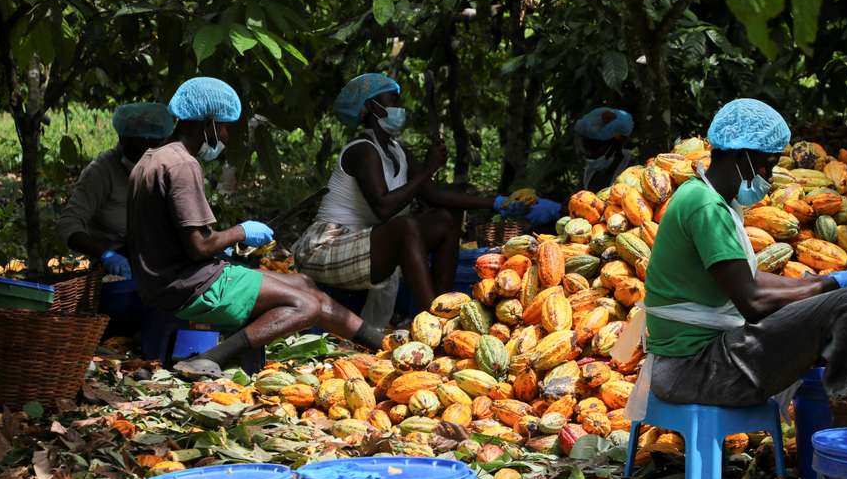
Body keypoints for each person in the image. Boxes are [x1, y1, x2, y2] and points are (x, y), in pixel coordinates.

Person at [626, 98, 847, 411]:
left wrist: (825, 281)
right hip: (694, 370)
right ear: (742, 155)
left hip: (694, 364)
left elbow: (748, 279)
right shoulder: (705, 207)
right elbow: (752, 302)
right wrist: (832, 287)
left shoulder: (709, 198)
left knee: (840, 310)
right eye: (767, 163)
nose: (769, 174)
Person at [127, 77, 385, 377]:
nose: (226, 134)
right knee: (306, 306)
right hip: (190, 286)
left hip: (166, 280)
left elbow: (169, 234)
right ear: (208, 123)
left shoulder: (150, 159)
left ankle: (381, 344)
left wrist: (228, 247)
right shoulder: (183, 165)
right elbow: (199, 246)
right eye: (225, 126)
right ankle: (211, 358)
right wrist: (240, 231)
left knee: (305, 284)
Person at [292, 73, 553, 324]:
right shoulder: (363, 151)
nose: (400, 107)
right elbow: (384, 207)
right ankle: (433, 319)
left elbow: (433, 195)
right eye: (392, 101)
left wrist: (499, 203)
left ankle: (444, 305)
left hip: (365, 240)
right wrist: (428, 169)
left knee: (444, 220)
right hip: (327, 245)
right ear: (372, 107)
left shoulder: (397, 151)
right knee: (404, 226)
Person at [57, 103, 174, 278]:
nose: (145, 157)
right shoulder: (101, 172)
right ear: (122, 140)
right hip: (118, 268)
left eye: (151, 148)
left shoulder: (164, 167)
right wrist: (107, 255)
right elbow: (68, 223)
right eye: (137, 149)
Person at [575, 107, 636, 193]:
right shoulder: (591, 170)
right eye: (586, 146)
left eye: (595, 146)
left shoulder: (632, 168)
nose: (590, 152)